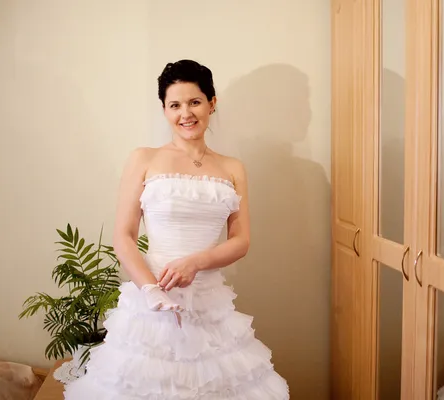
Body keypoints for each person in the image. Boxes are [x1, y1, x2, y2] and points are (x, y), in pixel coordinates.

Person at [64, 59, 290, 399]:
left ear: (212, 103)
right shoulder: (144, 158)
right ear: (165, 110)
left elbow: (241, 240)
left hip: (208, 301)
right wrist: (151, 291)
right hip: (152, 297)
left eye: (195, 102)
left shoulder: (233, 168)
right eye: (175, 105)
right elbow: (123, 236)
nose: (186, 113)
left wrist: (195, 263)